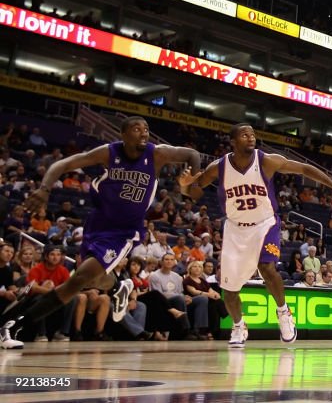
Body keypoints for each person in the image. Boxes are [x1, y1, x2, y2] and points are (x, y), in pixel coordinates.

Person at [1, 116, 200, 349]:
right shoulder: (109, 152)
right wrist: (44, 189)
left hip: (124, 231)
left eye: (146, 129)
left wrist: (192, 184)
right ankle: (118, 287)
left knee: (79, 279)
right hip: (97, 223)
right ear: (123, 135)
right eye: (137, 129)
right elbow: (63, 164)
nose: (144, 133)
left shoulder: (156, 154)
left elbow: (192, 155)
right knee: (88, 279)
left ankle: (13, 326)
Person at [179, 123, 332, 348]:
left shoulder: (266, 161)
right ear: (233, 141)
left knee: (267, 267)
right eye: (244, 134)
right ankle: (239, 325)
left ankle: (283, 313)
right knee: (230, 290)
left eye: (252, 133)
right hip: (235, 228)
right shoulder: (218, 167)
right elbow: (194, 192)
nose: (250, 137)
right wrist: (184, 187)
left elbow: (304, 169)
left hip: (265, 224)